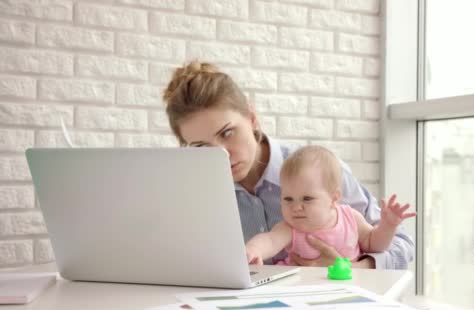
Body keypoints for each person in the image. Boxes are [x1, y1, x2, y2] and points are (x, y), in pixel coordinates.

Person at [162, 60, 416, 269]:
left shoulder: (317, 171)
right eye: (201, 147)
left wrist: (350, 268)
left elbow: (402, 244)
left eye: (227, 133)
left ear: (251, 118)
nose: (222, 155)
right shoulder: (198, 194)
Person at [245, 146, 414, 266]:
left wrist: (388, 226)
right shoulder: (290, 228)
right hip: (302, 289)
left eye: (307, 199)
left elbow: (374, 244)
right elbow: (270, 241)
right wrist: (253, 251)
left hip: (347, 286)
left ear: (334, 198)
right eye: (288, 199)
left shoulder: (350, 218)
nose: (296, 207)